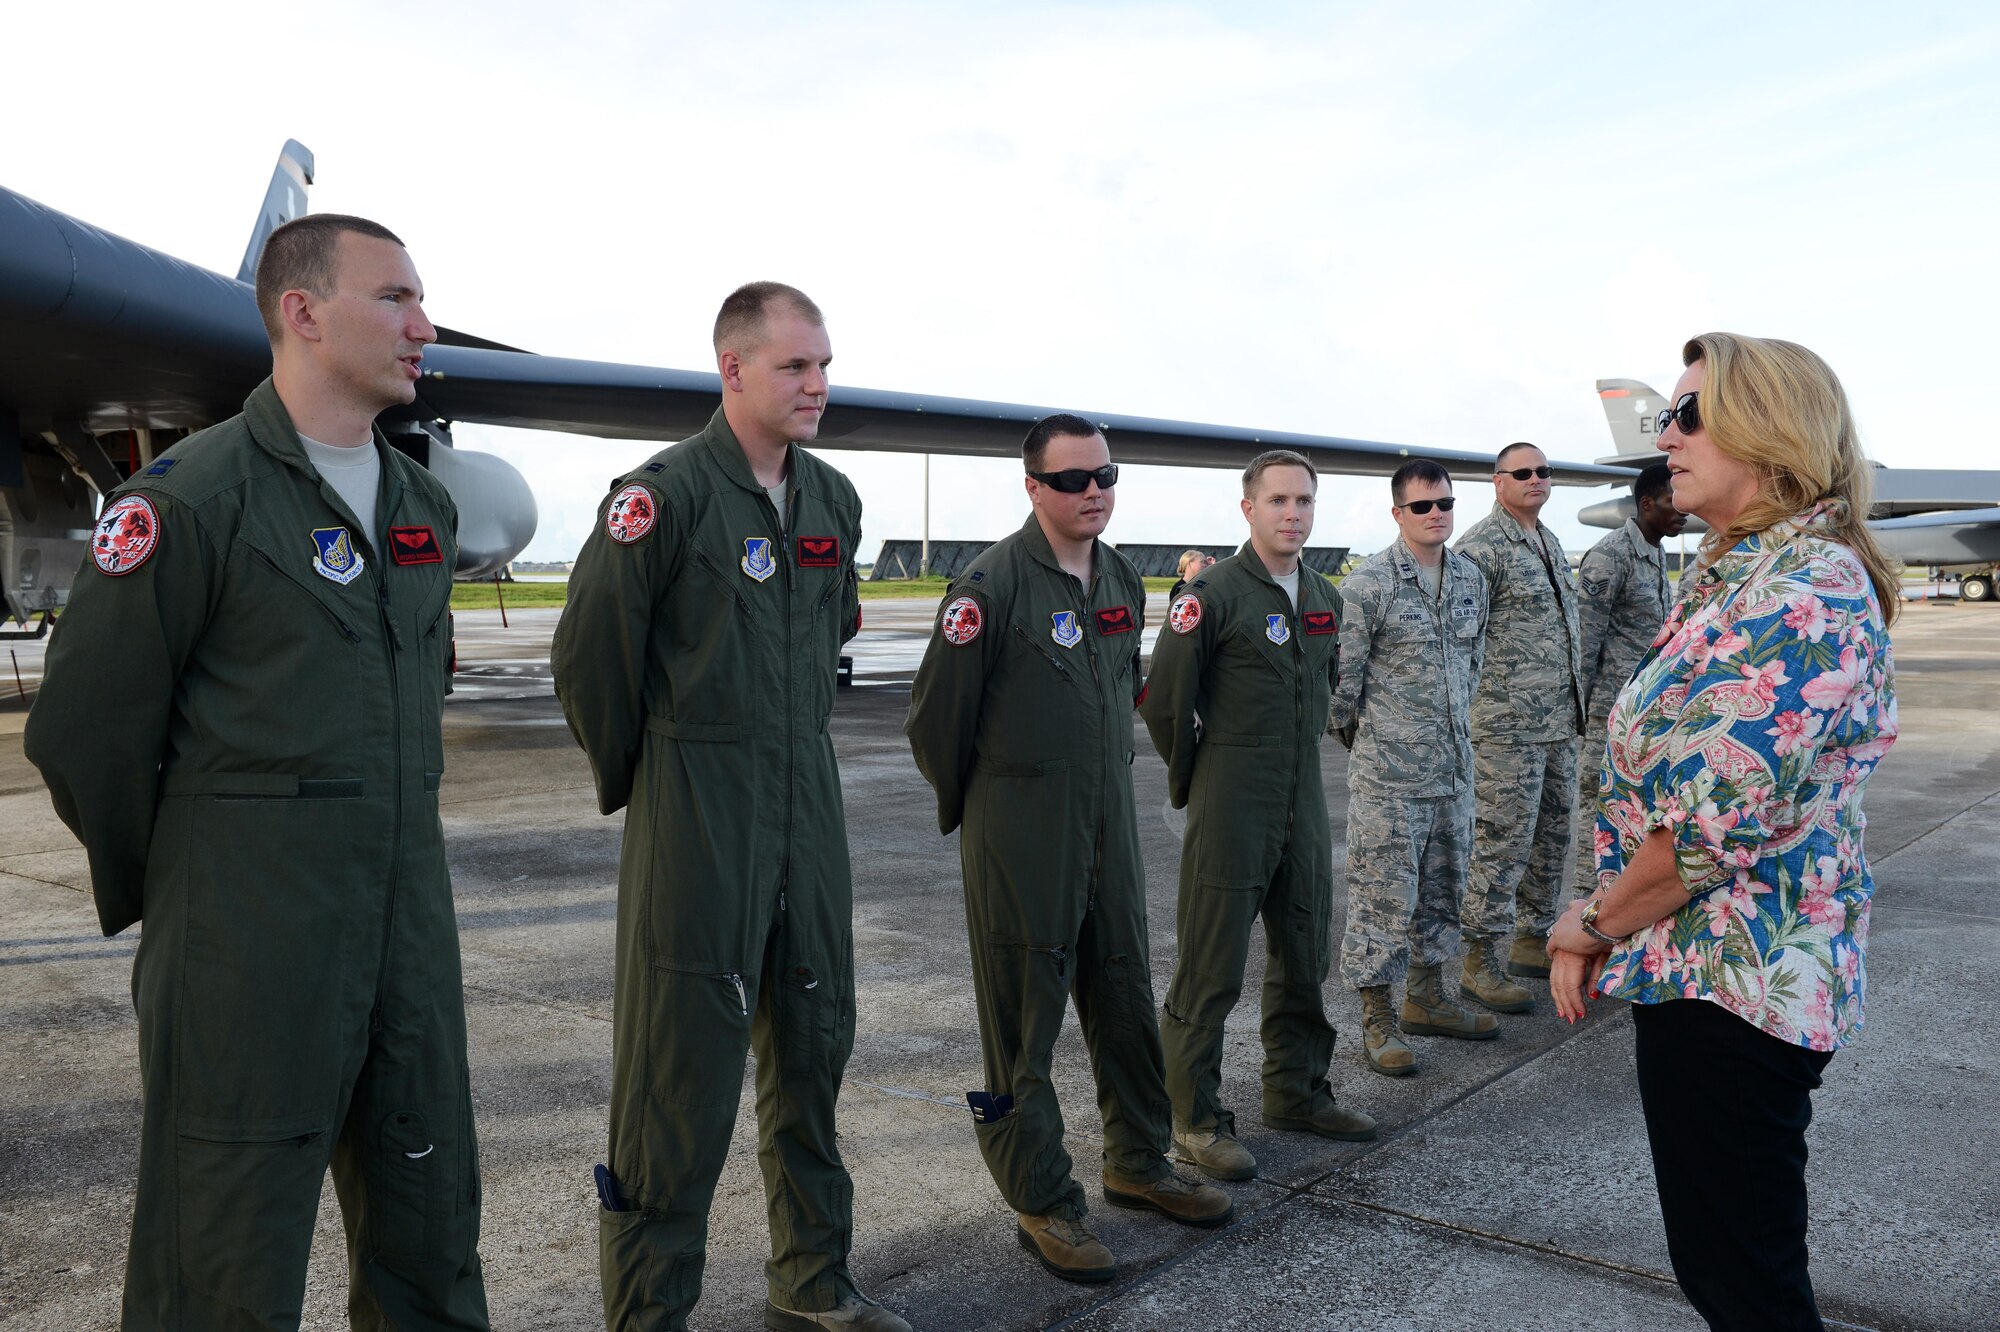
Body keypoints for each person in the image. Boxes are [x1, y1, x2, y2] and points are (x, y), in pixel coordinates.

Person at [24, 215, 489, 1330]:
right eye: (396, 299)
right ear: (303, 311)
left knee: (431, 1234)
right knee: (223, 1258)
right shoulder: (192, 501)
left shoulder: (422, 511)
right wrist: (198, 887)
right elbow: (86, 736)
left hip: (407, 937)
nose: (424, 328)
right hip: (248, 949)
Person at [552, 284, 905, 1332]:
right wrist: (657, 780)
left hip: (809, 811)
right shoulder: (660, 498)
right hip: (696, 815)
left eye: (825, 365)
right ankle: (650, 1311)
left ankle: (812, 1281)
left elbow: (830, 619)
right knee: (676, 1077)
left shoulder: (833, 500)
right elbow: (590, 664)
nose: (817, 385)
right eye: (795, 366)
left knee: (812, 1045)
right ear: (733, 371)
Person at [1548, 333, 1898, 1331]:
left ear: (1769, 429)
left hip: (1734, 985)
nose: (1665, 433)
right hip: (1708, 970)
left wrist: (1588, 922)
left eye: (1688, 413)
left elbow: (1706, 833)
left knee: (1744, 1287)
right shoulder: (1748, 574)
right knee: (1730, 1269)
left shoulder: (1797, 594)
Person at [906, 414, 1231, 1285]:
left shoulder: (1121, 575)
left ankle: (1137, 1161)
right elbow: (936, 721)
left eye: (1105, 475)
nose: (1093, 491)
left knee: (1123, 992)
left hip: (1105, 828)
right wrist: (989, 809)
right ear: (1032, 488)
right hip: (1021, 832)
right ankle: (1042, 1198)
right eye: (1072, 479)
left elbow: (1126, 688)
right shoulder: (989, 587)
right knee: (1023, 1023)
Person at [1140, 450, 1376, 1181]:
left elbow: (1327, 687)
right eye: (1278, 501)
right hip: (1232, 788)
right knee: (1211, 965)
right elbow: (1166, 702)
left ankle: (1298, 1091)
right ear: (1249, 509)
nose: (1293, 514)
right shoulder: (1210, 595)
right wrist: (1198, 781)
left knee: (1305, 949)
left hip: (1302, 790)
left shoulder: (1325, 599)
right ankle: (1195, 1119)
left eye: (1304, 501)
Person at [1330, 460, 1496, 1076]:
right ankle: (1378, 1020)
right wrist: (1381, 744)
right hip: (1389, 781)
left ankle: (1428, 997)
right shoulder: (1369, 584)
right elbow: (1341, 692)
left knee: (1444, 894)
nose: (1437, 515)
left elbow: (1474, 665)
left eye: (1446, 504)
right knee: (1382, 900)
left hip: (1454, 772)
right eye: (1423, 506)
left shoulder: (1471, 579)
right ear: (1397, 513)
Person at [1453, 441, 1585, 1009]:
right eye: (1523, 472)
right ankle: (1480, 959)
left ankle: (1533, 939)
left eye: (1543, 471)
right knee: (1500, 842)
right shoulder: (1481, 548)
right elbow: (1458, 635)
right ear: (1498, 482)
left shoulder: (1548, 540)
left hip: (1558, 720)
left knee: (1551, 836)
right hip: (1506, 726)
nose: (1536, 479)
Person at [1570, 463, 1686, 901]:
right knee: (1598, 810)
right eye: (1673, 502)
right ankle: (1586, 902)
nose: (1684, 513)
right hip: (1608, 710)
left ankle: (1618, 902)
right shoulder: (1609, 556)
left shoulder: (1655, 551)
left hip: (1648, 712)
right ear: (1646, 503)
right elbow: (1584, 642)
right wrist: (1581, 715)